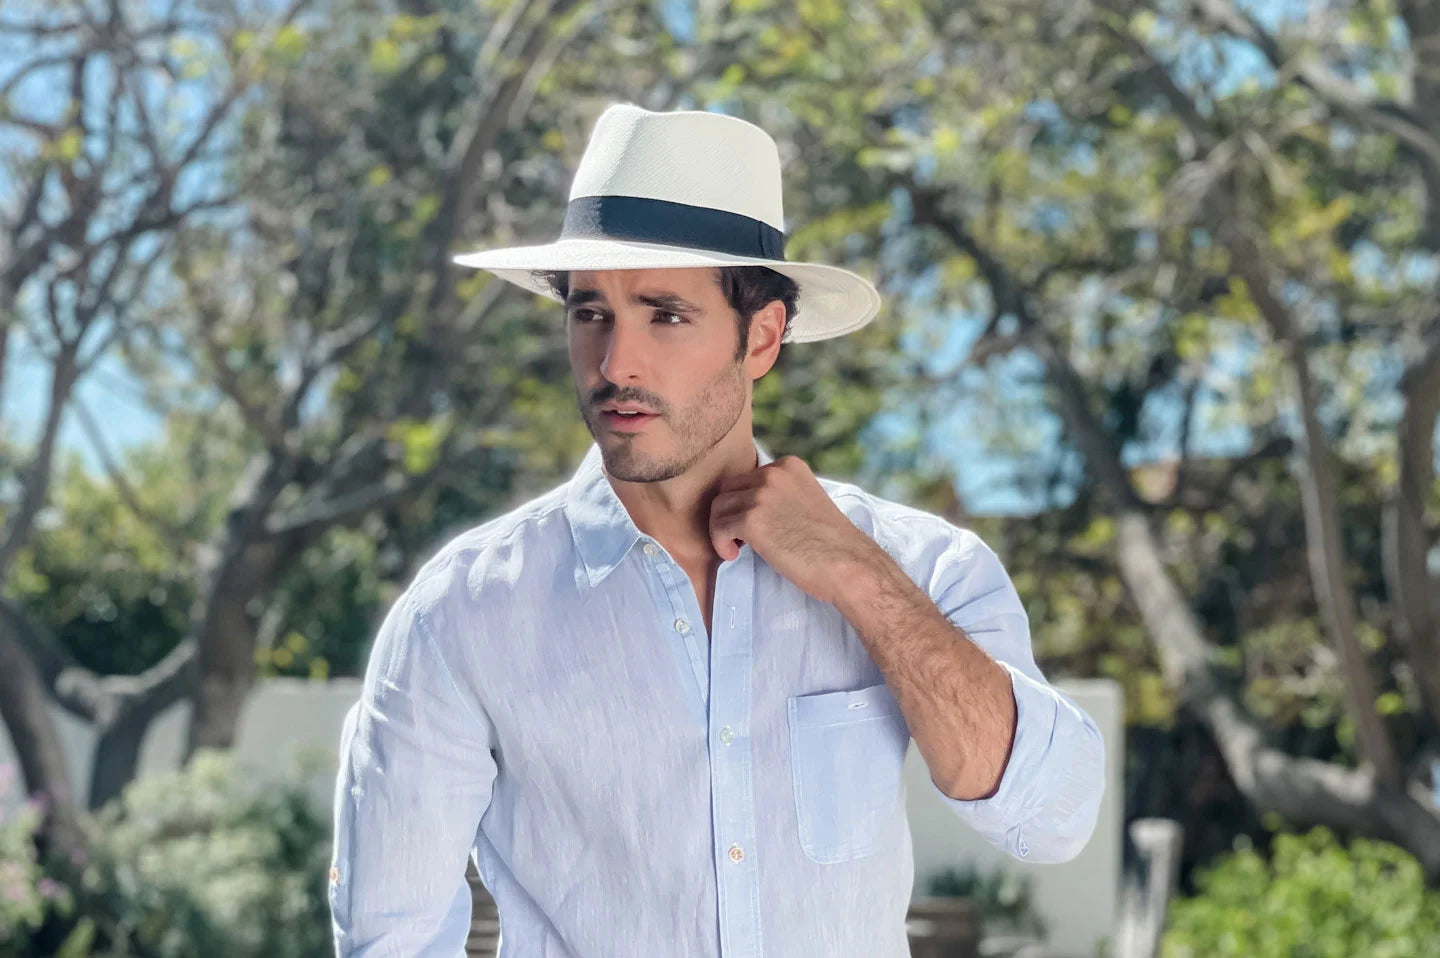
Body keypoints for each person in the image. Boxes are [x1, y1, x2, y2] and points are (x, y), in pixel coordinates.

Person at [328, 102, 1105, 957]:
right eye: (591, 313)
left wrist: (858, 578)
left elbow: (1053, 814)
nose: (616, 362)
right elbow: (390, 940)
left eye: (666, 314)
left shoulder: (924, 564)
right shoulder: (465, 614)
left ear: (762, 337)